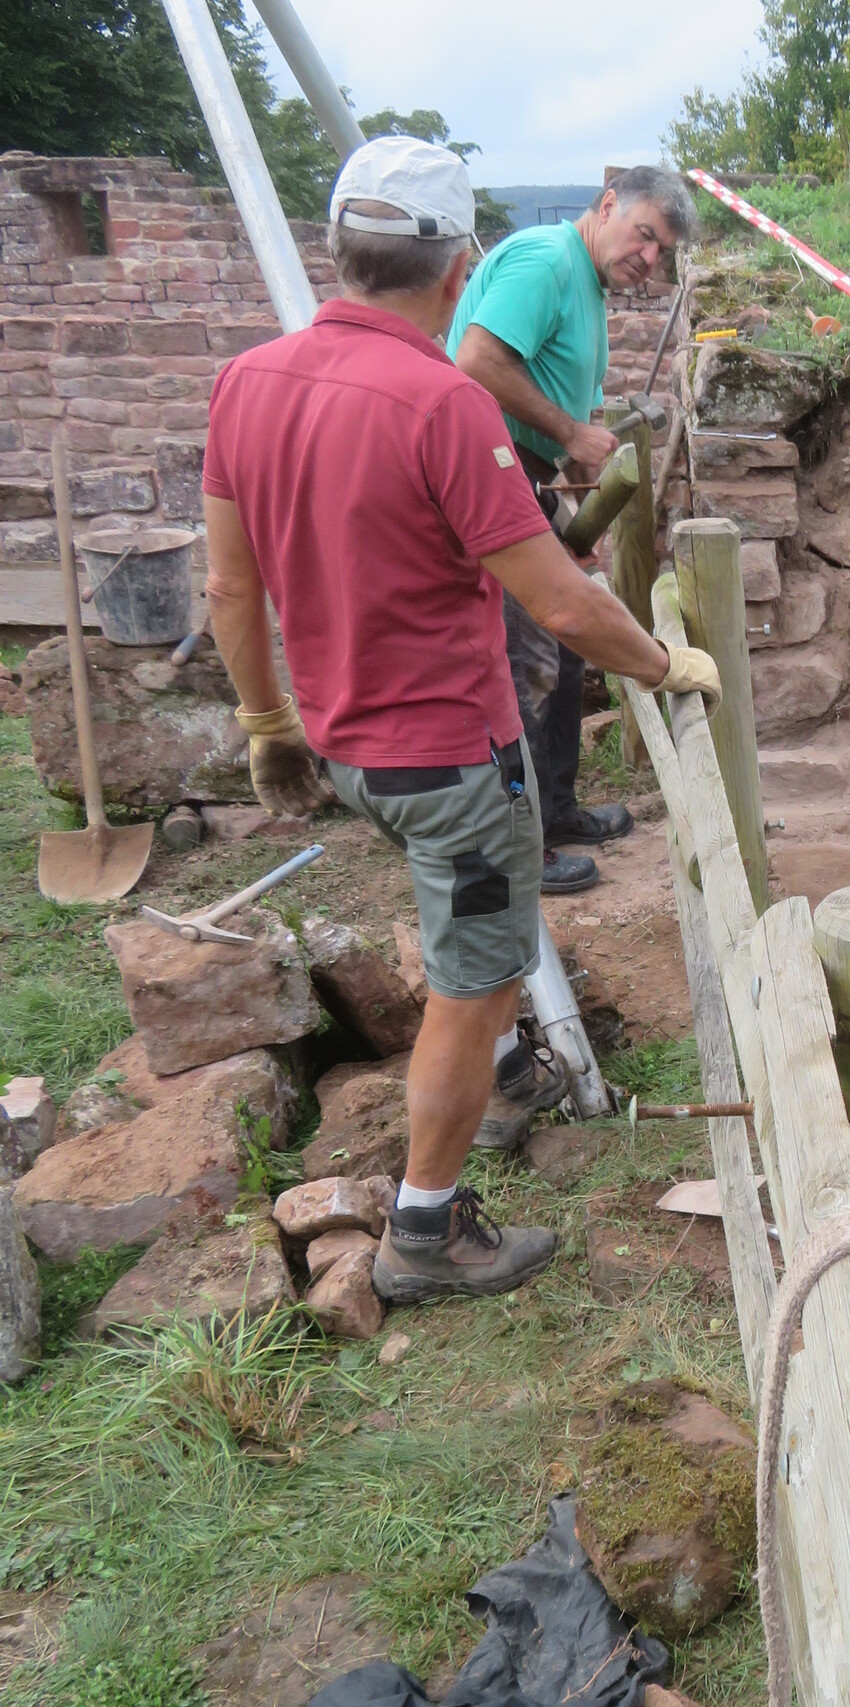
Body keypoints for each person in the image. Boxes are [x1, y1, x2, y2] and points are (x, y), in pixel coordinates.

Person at [200, 135, 719, 1304]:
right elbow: (559, 602)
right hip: (448, 757)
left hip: (344, 745)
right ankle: (425, 1233)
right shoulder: (442, 404)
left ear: (340, 251)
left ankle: (505, 1068)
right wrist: (663, 663)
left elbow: (231, 586)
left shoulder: (248, 381)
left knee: (467, 940)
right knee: (473, 980)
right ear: (456, 270)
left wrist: (266, 723)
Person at [449, 165, 695, 894]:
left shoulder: (586, 289)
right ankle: (515, 849)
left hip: (525, 478)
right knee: (522, 667)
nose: (648, 257)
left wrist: (577, 513)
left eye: (662, 251)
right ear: (608, 204)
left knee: (563, 650)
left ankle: (553, 811)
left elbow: (567, 419)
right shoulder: (548, 261)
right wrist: (568, 434)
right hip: (486, 474)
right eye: (644, 234)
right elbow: (477, 360)